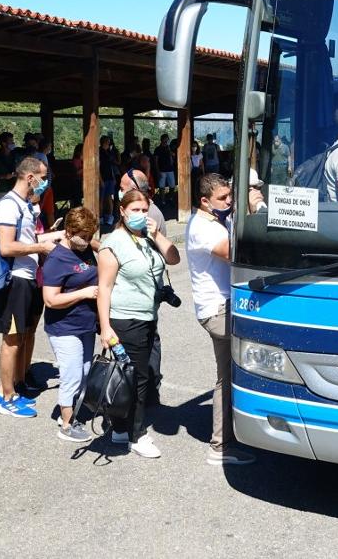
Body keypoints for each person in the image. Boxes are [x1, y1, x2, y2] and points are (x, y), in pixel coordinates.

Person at [96, 188, 180, 458]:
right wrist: (105, 327)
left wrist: (156, 234)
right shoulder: (114, 242)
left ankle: (121, 428)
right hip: (125, 319)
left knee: (131, 376)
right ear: (122, 211)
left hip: (147, 317)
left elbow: (174, 258)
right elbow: (104, 288)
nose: (141, 215)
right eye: (135, 210)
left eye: (145, 210)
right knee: (139, 378)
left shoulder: (147, 238)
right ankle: (137, 434)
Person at [186, 174, 260, 466]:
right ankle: (220, 444)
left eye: (230, 197)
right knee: (230, 375)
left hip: (224, 304)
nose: (228, 202)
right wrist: (253, 213)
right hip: (218, 309)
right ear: (204, 201)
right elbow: (236, 253)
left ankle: (224, 440)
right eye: (222, 198)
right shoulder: (202, 227)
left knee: (227, 376)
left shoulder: (217, 221)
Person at [0, 156, 62, 417]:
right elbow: (6, 246)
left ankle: (16, 386)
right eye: (42, 178)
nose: (44, 183)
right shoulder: (8, 206)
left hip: (28, 276)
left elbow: (28, 238)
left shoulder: (25, 205)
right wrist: (41, 246)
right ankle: (4, 396)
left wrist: (54, 237)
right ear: (30, 177)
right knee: (11, 339)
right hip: (14, 280)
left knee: (22, 335)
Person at [40, 206, 100, 442]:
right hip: (64, 327)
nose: (86, 242)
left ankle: (70, 407)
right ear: (68, 232)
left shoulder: (84, 248)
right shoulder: (57, 259)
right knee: (72, 373)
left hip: (86, 324)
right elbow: (51, 299)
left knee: (85, 372)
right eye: (82, 237)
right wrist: (84, 293)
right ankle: (67, 423)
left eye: (89, 237)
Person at [120, 167, 166, 232]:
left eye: (122, 189)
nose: (120, 192)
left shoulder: (149, 215)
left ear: (133, 190)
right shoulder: (130, 209)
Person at [98, 135, 118, 227]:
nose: (109, 143)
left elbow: (111, 166)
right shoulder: (99, 152)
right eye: (108, 142)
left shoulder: (108, 152)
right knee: (101, 199)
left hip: (110, 178)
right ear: (104, 142)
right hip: (103, 178)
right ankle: (101, 217)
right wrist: (100, 179)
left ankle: (109, 217)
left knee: (109, 198)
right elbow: (97, 167)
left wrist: (113, 177)